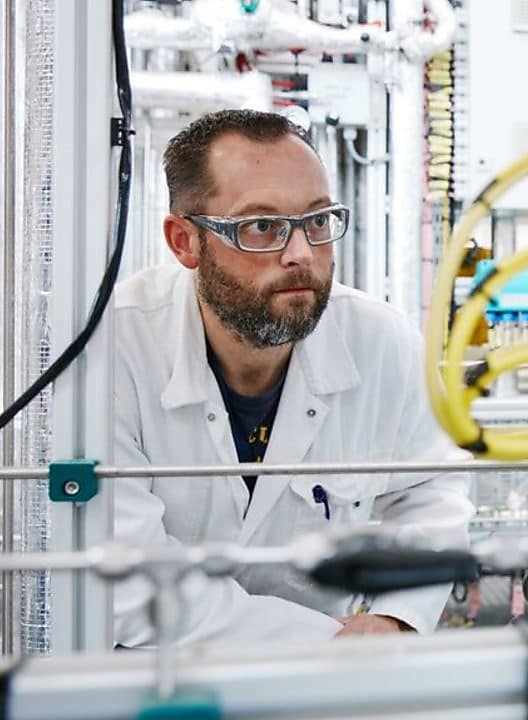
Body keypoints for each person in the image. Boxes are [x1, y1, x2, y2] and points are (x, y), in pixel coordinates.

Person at [111, 109, 473, 647]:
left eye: (318, 221)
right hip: (157, 681)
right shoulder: (118, 350)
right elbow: (130, 578)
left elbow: (432, 493)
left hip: (326, 687)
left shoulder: (380, 341)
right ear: (184, 241)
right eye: (262, 227)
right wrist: (326, 643)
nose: (301, 253)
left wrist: (395, 618)